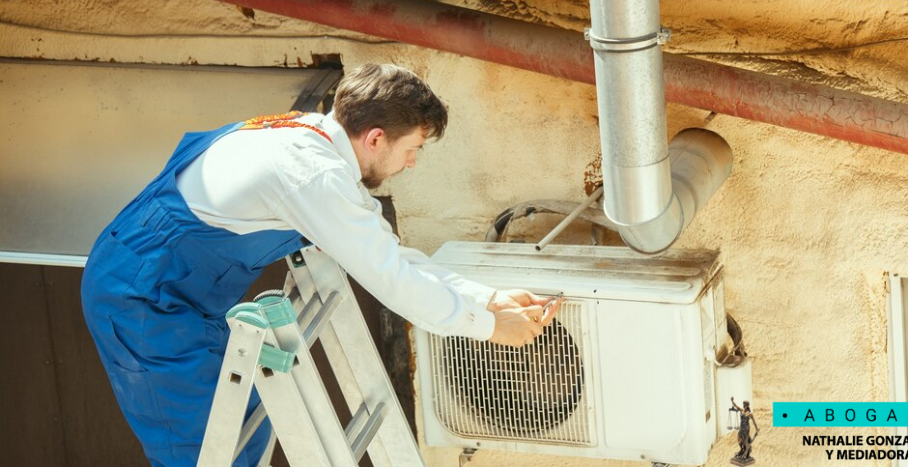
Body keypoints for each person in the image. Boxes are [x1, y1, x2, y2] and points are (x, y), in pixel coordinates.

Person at [80, 63, 562, 467]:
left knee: (241, 430)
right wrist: (486, 326)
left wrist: (489, 299)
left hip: (182, 293)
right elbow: (390, 279)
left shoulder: (309, 135)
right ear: (376, 138)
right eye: (412, 149)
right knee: (206, 452)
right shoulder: (314, 175)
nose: (411, 163)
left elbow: (388, 254)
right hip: (143, 302)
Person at [731, 397, 759, 462]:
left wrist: (757, 429)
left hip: (746, 428)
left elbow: (754, 422)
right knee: (739, 439)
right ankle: (741, 449)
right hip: (741, 427)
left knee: (746, 441)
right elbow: (736, 406)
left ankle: (746, 454)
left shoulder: (749, 413)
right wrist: (732, 401)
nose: (743, 406)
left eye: (744, 405)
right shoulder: (741, 410)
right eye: (743, 404)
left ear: (747, 406)